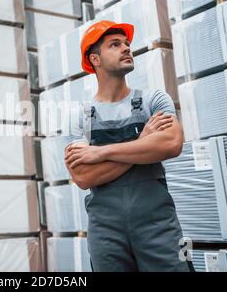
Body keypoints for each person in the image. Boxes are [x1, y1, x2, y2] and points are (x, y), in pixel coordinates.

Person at [64, 20, 193, 272]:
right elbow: (83, 176)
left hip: (160, 226)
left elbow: (171, 143)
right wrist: (144, 142)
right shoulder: (79, 116)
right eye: (115, 45)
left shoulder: (153, 99)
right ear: (95, 60)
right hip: (105, 233)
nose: (126, 48)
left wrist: (100, 152)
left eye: (127, 44)